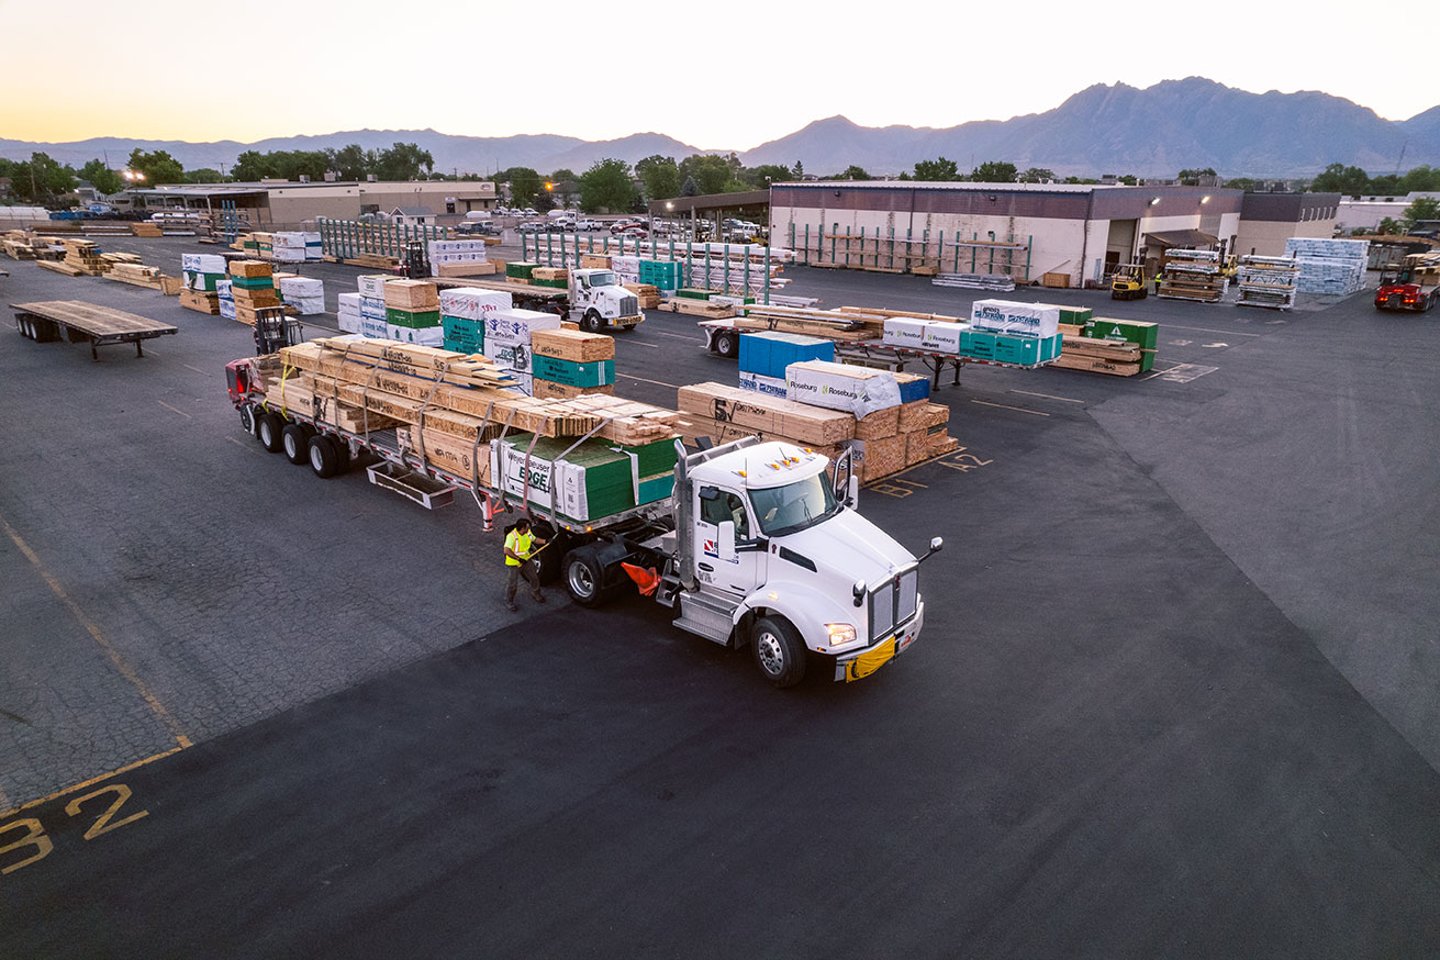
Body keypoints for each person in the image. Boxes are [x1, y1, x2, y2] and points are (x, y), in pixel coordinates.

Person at [503, 517, 547, 612]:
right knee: (513, 585)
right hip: (514, 564)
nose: (529, 529)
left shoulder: (528, 533)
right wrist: (518, 559)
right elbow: (506, 550)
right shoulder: (511, 536)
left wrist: (545, 541)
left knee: (534, 578)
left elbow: (535, 540)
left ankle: (536, 593)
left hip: (526, 561)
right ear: (522, 528)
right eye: (527, 527)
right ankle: (509, 601)